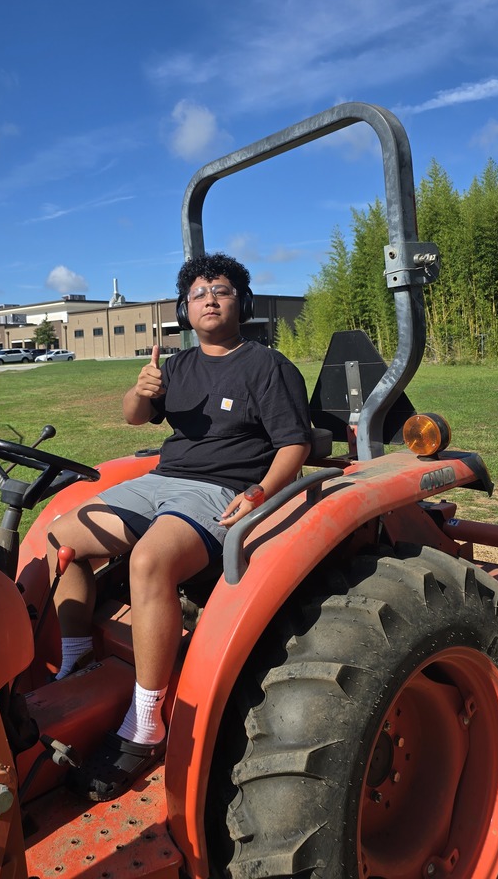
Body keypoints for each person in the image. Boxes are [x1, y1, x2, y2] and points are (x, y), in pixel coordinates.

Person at [46, 252, 313, 800]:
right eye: (197, 293)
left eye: (221, 289)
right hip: (163, 478)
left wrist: (259, 492)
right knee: (61, 538)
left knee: (149, 563)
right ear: (184, 310)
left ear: (243, 302)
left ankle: (147, 719)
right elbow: (133, 419)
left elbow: (294, 445)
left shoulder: (267, 366)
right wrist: (141, 391)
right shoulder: (174, 367)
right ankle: (76, 659)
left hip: (223, 487)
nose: (209, 298)